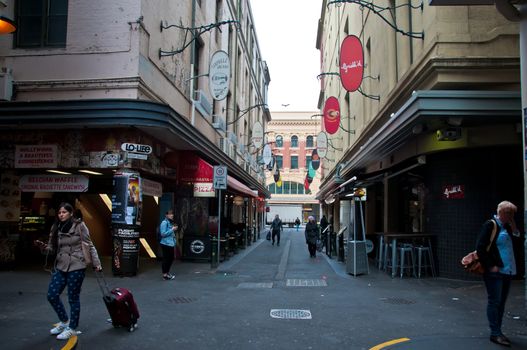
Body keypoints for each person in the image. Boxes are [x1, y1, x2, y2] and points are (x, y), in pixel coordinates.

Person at [34, 202, 102, 341]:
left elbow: (89, 245)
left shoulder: (80, 226)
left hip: (77, 265)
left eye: (64, 212)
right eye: (59, 212)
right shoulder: (56, 227)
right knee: (52, 295)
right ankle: (64, 321)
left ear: (71, 213)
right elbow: (53, 248)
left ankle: (72, 328)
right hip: (61, 265)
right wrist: (44, 247)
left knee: (73, 298)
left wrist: (97, 263)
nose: (61, 215)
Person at [476, 201, 519, 347]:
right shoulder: (491, 225)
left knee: (501, 303)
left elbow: (518, 240)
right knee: (494, 301)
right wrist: (490, 266)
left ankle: (498, 331)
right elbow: (480, 247)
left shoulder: (506, 227)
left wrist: (513, 225)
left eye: (512, 214)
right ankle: (495, 333)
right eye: (509, 213)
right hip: (495, 271)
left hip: (507, 270)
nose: (511, 216)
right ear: (501, 212)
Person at [159, 209, 178, 280]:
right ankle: (165, 274)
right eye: (170, 214)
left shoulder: (169, 222)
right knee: (166, 259)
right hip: (166, 244)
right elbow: (163, 234)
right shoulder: (164, 223)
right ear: (166, 215)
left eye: (172, 214)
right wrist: (172, 229)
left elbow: (171, 234)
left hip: (170, 244)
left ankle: (167, 272)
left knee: (171, 258)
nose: (172, 215)